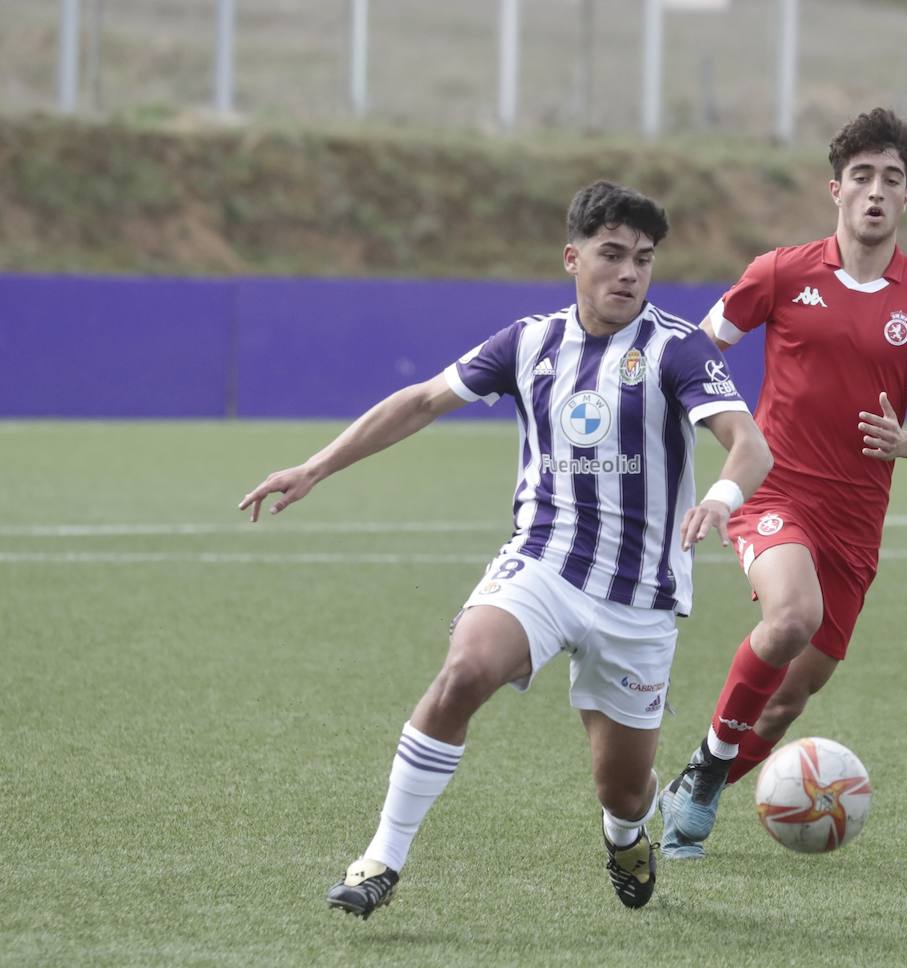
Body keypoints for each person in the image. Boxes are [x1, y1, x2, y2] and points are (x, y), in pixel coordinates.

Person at [239, 181, 772, 912]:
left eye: (643, 260)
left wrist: (719, 497)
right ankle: (379, 861)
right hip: (544, 564)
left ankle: (626, 839)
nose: (629, 273)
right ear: (571, 259)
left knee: (621, 791)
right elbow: (423, 400)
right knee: (465, 670)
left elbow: (748, 443)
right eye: (612, 256)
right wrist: (315, 466)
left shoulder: (677, 349)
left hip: (639, 599)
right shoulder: (529, 343)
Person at [657, 108, 907, 859]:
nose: (876, 192)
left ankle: (696, 779)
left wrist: (906, 440)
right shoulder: (781, 273)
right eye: (862, 177)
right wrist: (718, 427)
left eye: (892, 179)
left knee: (789, 698)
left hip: (856, 520)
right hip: (776, 491)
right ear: (836, 190)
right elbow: (695, 350)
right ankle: (700, 787)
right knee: (790, 617)